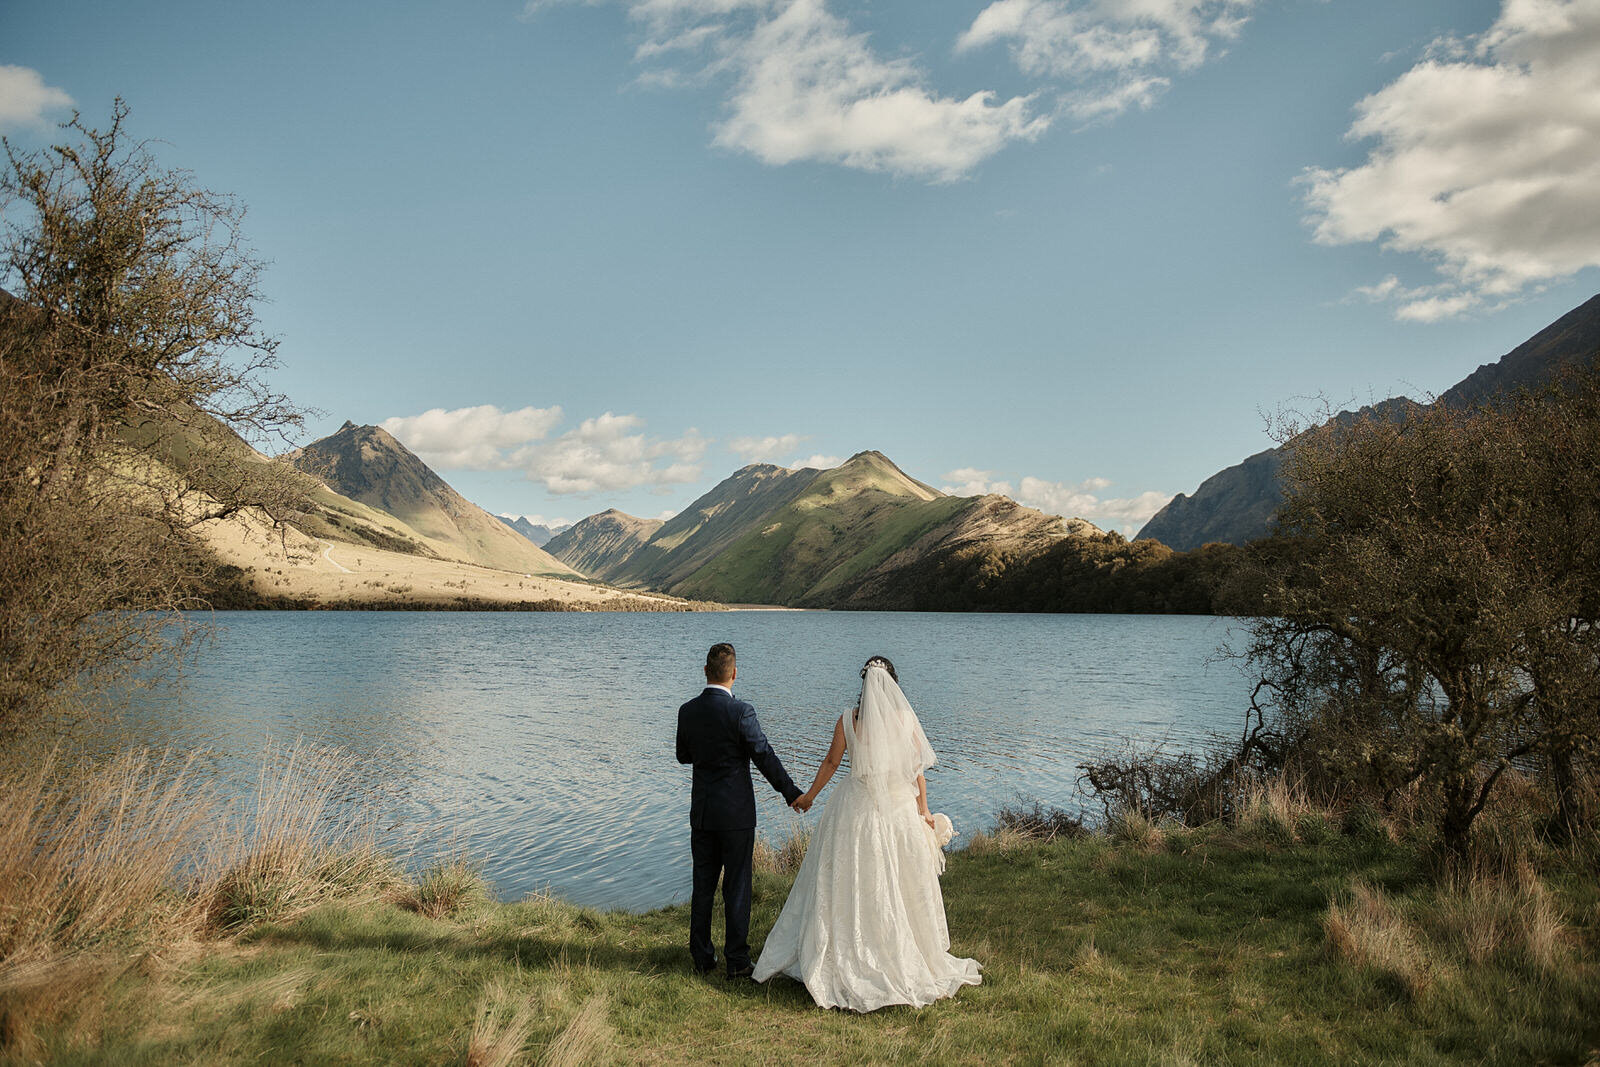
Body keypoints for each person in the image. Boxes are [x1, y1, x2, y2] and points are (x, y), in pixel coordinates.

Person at [753, 656, 981, 1011]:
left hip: (853, 806)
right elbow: (916, 769)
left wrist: (809, 796)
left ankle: (849, 946)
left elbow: (831, 763)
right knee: (898, 878)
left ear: (863, 685)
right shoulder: (904, 719)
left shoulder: (848, 720)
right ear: (893, 685)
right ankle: (901, 949)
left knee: (852, 877)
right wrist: (923, 809)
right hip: (897, 806)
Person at [675, 642, 803, 979]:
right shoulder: (741, 712)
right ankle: (736, 960)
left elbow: (682, 755)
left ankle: (702, 958)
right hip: (736, 815)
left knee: (702, 884)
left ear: (706, 672)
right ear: (734, 673)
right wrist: (791, 793)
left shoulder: (687, 711)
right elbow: (763, 756)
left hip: (702, 813)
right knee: (737, 885)